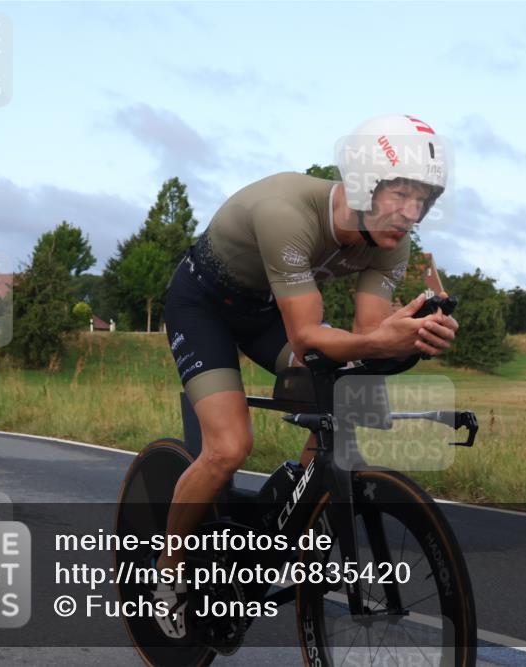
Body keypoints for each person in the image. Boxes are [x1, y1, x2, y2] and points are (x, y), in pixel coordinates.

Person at [152, 114, 458, 638]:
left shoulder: (393, 244)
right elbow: (308, 336)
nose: (412, 214)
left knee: (343, 390)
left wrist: (411, 333)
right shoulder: (286, 213)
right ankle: (169, 573)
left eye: (423, 199)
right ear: (365, 183)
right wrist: (377, 340)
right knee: (228, 447)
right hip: (203, 306)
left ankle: (295, 510)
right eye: (402, 195)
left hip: (266, 309)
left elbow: (364, 336)